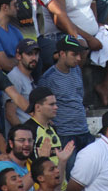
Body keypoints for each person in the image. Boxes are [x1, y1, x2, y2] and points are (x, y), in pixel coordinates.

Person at [36, 35, 94, 170]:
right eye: (74, 55)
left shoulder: (77, 70)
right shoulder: (48, 78)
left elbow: (79, 96)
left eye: (80, 55)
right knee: (70, 175)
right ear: (62, 54)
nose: (79, 59)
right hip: (65, 135)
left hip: (84, 131)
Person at [24, 87, 65, 163]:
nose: (56, 107)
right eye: (51, 104)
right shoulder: (28, 130)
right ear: (38, 107)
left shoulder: (53, 128)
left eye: (55, 104)